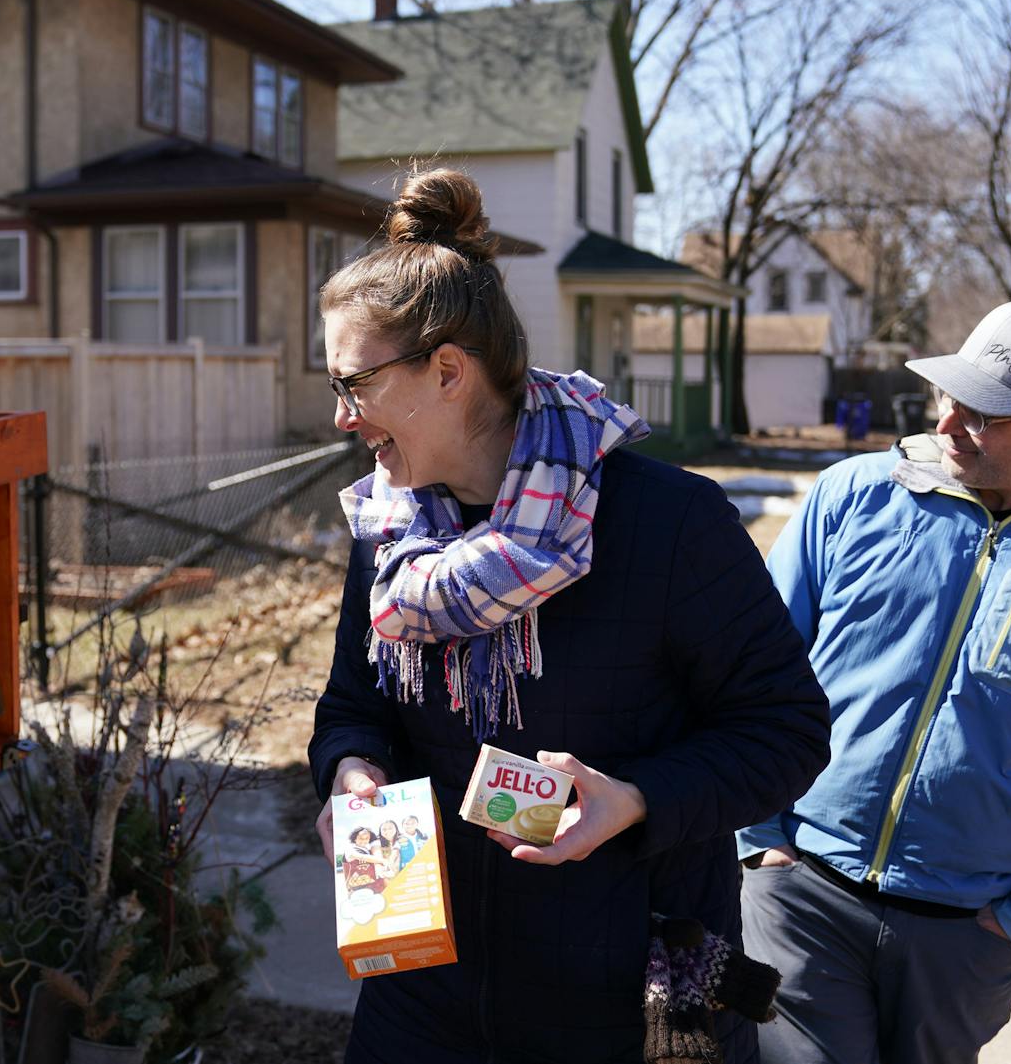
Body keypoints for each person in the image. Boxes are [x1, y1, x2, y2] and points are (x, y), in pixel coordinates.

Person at [308, 167, 830, 1064]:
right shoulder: (389, 535)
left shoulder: (668, 522)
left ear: (446, 372)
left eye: (354, 384)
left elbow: (787, 731)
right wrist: (351, 771)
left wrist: (633, 799)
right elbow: (352, 704)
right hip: (422, 994)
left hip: (628, 1001)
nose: (345, 418)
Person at [738, 296, 1011, 1064]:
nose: (948, 425)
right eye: (952, 395)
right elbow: (751, 673)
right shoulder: (852, 497)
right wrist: (758, 839)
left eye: (987, 415)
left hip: (964, 939)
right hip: (802, 887)